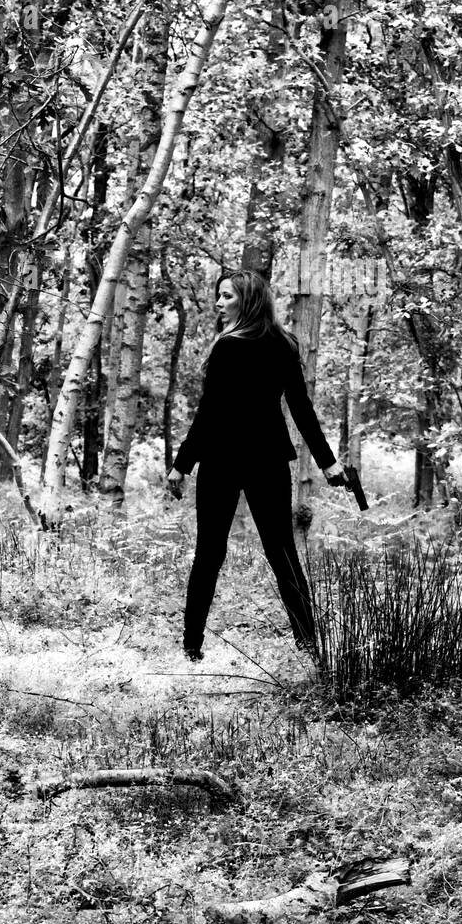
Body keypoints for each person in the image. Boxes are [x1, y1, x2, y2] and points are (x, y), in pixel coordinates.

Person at [167, 269, 346, 661]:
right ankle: (309, 647)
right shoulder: (283, 344)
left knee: (210, 555)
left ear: (247, 301)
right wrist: (328, 464)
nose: (218, 303)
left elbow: (208, 414)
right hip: (264, 460)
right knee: (281, 553)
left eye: (227, 296)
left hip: (224, 460)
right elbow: (301, 410)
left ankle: (191, 650)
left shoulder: (228, 347)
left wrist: (181, 466)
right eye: (219, 295)